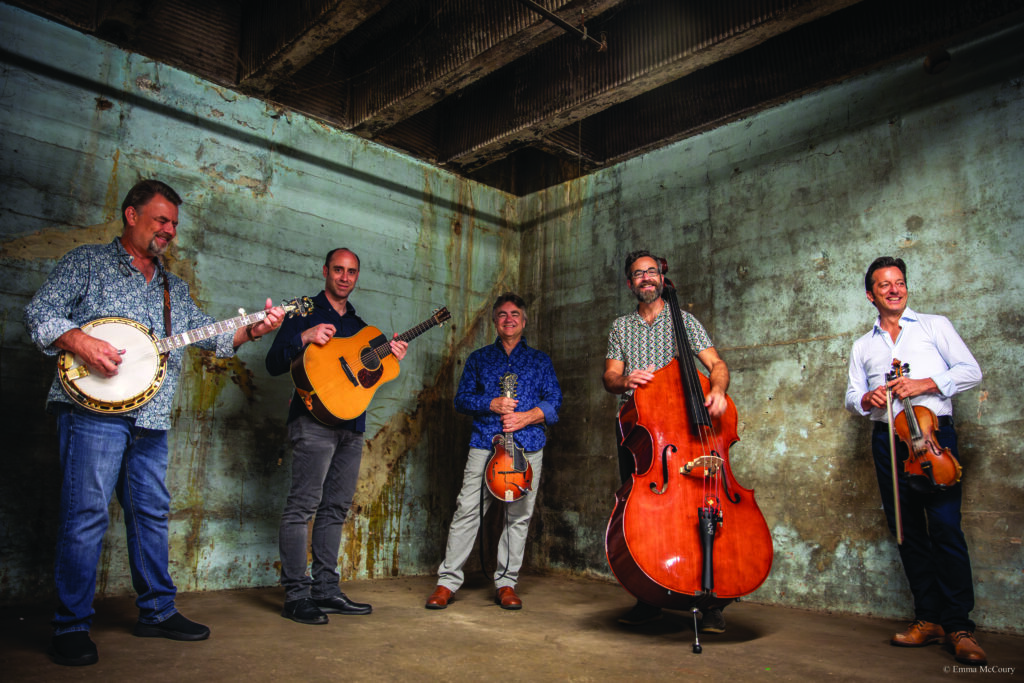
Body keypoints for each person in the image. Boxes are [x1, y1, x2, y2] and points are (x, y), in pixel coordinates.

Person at [24, 179, 286, 667]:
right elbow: (40, 313)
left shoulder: (173, 288)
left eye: (173, 224)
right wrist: (82, 342)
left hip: (150, 418)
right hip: (92, 414)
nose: (169, 230)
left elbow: (210, 337)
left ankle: (158, 612)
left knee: (150, 514)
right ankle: (71, 626)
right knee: (87, 515)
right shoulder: (87, 263)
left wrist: (254, 328)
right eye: (161, 220)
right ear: (131, 215)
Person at [844, 256, 986, 666]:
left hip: (933, 437)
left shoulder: (934, 326)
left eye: (899, 282)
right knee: (907, 533)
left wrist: (925, 383)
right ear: (870, 295)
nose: (894, 290)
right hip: (888, 442)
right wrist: (867, 398)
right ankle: (929, 619)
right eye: (884, 285)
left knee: (945, 528)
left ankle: (959, 625)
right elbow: (852, 398)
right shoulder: (863, 346)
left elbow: (971, 371)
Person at [265, 248, 408, 625]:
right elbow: (273, 362)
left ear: (357, 276)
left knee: (335, 508)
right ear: (325, 271)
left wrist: (391, 357)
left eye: (352, 272)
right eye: (339, 270)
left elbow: (365, 375)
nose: (345, 277)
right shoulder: (302, 312)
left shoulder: (360, 326)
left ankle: (326, 590)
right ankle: (296, 596)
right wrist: (304, 336)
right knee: (302, 507)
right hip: (312, 421)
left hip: (352, 426)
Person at [601, 249, 732, 632]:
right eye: (638, 273)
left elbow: (716, 365)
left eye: (651, 271)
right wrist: (625, 380)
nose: (646, 278)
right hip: (640, 430)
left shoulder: (684, 321)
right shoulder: (621, 327)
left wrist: (718, 390)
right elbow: (610, 377)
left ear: (661, 278)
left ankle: (711, 600)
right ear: (630, 283)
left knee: (703, 508)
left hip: (686, 429)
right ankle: (649, 596)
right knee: (643, 514)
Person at [425, 293, 561, 611]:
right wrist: (491, 403)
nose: (508, 319)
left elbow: (554, 402)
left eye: (515, 314)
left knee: (519, 517)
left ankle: (506, 583)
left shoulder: (540, 361)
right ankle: (447, 582)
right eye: (502, 315)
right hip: (485, 443)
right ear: (495, 322)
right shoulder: (479, 359)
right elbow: (461, 400)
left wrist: (526, 417)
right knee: (467, 510)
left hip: (528, 446)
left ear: (524, 321)